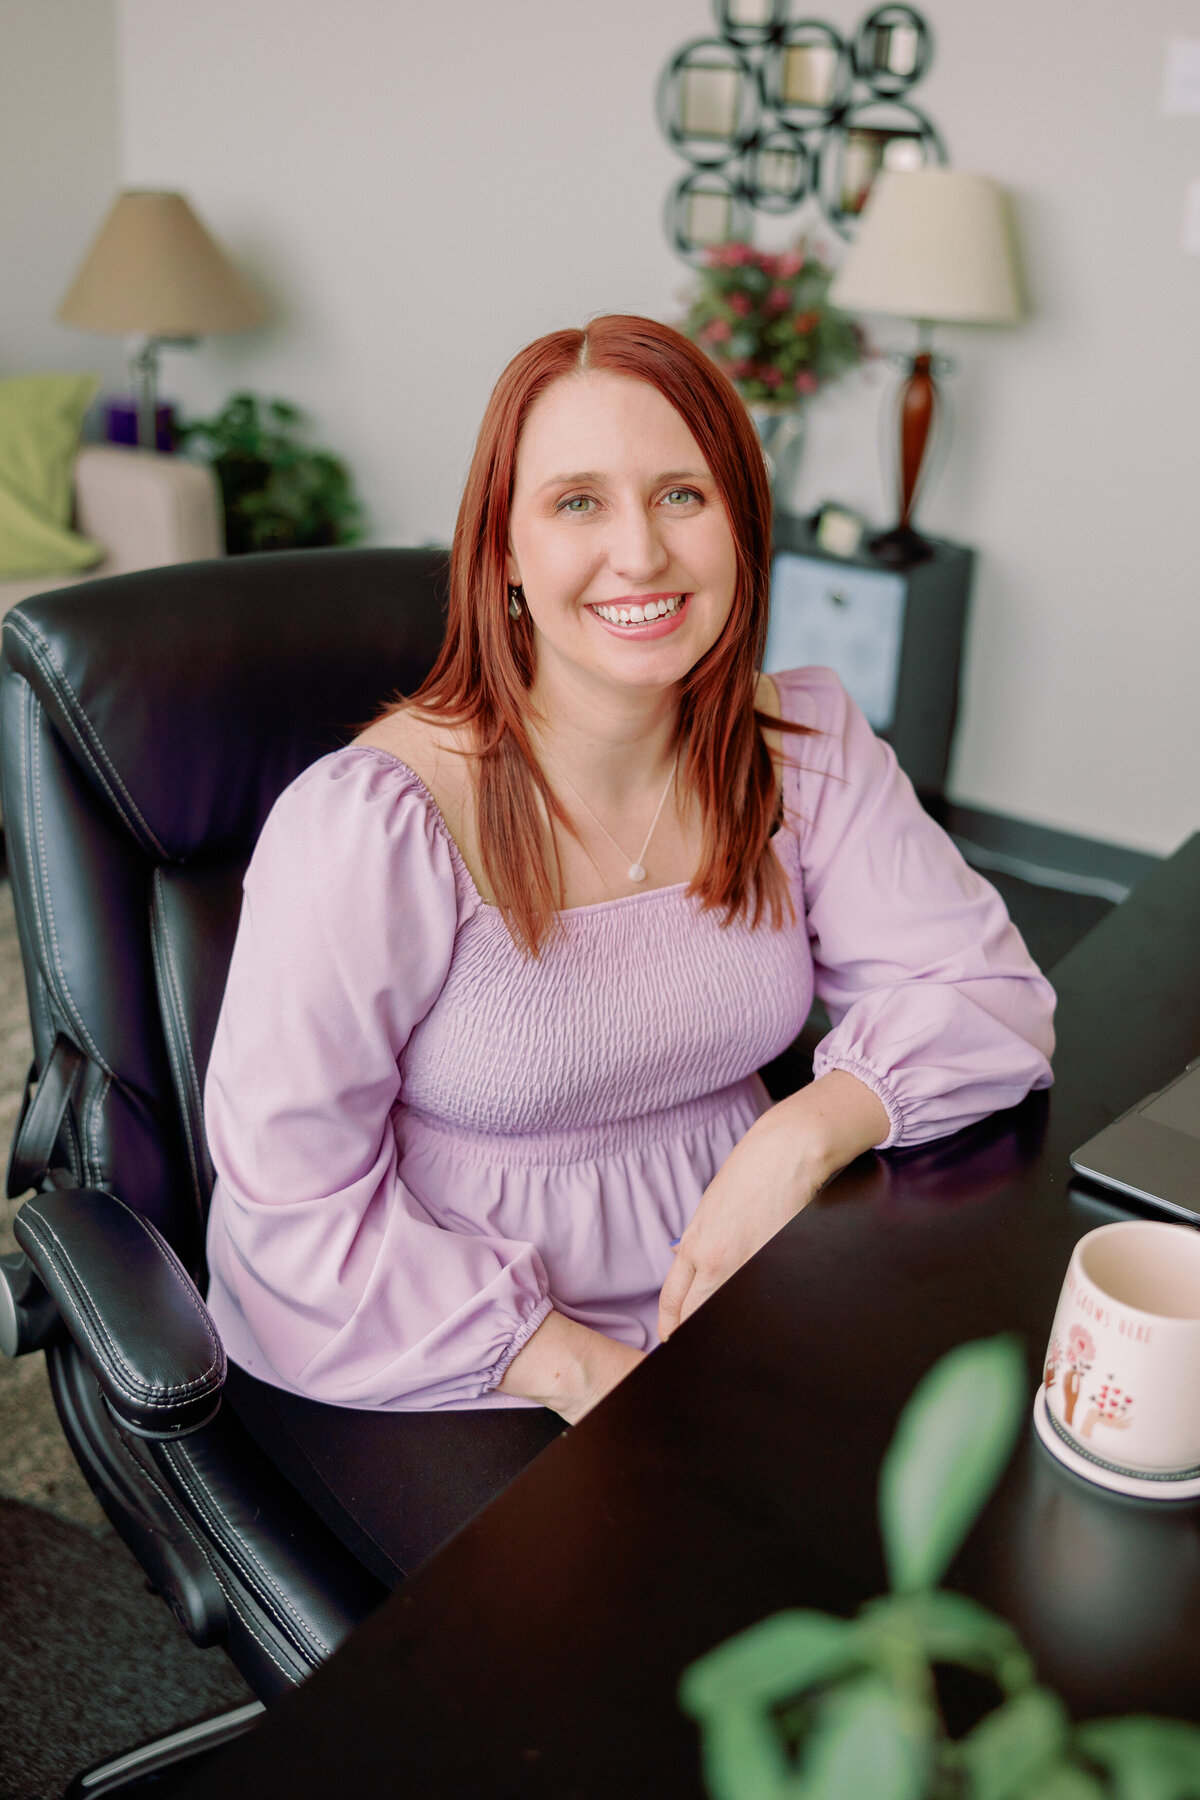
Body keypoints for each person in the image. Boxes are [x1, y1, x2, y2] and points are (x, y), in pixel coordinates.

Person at [204, 314, 1055, 1584]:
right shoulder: (372, 825)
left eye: (680, 493)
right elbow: (288, 1209)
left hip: (742, 1284)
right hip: (447, 1349)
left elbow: (987, 997)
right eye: (577, 502)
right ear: (502, 553)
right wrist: (589, 1375)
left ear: (740, 520)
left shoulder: (800, 744)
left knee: (969, 1558)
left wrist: (803, 1129)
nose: (641, 551)